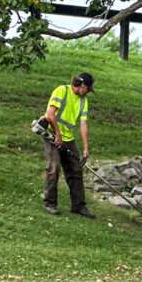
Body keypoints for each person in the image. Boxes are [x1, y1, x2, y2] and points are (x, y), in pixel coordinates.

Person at [43, 72, 96, 219]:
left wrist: (85, 148)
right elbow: (51, 113)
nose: (88, 92)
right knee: (53, 167)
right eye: (88, 89)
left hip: (68, 137)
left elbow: (83, 124)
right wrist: (58, 136)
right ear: (82, 85)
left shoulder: (83, 101)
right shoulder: (62, 90)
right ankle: (49, 203)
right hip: (51, 134)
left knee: (76, 169)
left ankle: (79, 206)